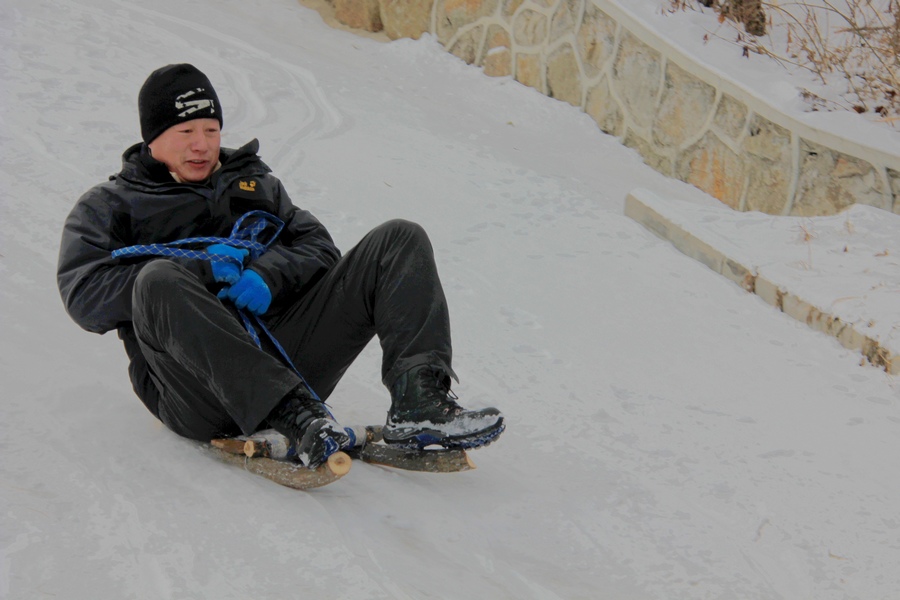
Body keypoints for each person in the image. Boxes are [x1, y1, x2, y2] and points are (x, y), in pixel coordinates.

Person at [57, 64, 504, 469]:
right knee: (156, 277)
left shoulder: (253, 185)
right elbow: (83, 295)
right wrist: (200, 270)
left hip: (288, 358)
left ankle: (418, 401)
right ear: (152, 139)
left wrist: (269, 275)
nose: (201, 145)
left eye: (211, 130)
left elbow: (319, 248)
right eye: (186, 131)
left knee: (399, 237)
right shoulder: (111, 205)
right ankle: (287, 412)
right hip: (194, 390)